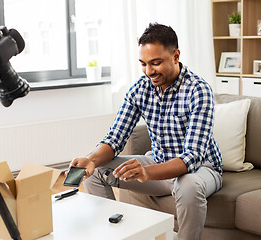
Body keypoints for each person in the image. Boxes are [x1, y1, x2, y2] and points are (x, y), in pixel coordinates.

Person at [68, 23, 222, 240]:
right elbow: (115, 137)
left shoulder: (198, 90)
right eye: (143, 64)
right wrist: (91, 159)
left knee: (187, 186)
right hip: (158, 163)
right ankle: (115, 234)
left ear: (176, 56)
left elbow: (191, 158)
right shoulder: (140, 89)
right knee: (95, 173)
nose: (149, 71)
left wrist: (147, 172)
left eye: (156, 63)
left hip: (200, 169)